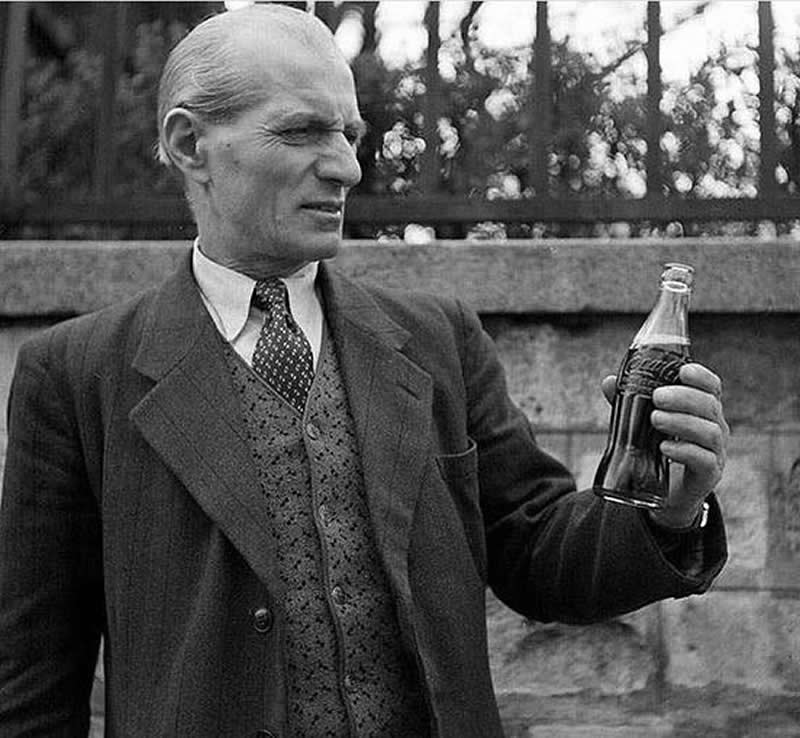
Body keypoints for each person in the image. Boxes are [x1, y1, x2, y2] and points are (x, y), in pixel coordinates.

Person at [0, 5, 728, 737]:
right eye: (302, 130)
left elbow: (537, 553)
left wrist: (667, 512)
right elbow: (32, 685)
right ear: (191, 144)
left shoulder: (437, 340)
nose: (347, 167)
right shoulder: (75, 377)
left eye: (349, 134)